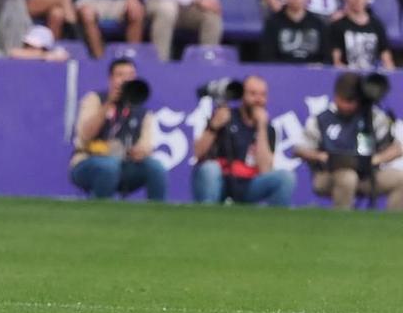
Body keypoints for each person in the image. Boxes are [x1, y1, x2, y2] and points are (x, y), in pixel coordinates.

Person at [295, 70, 403, 208]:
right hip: (327, 175)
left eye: (354, 101)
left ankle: (391, 226)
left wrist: (376, 159)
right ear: (336, 97)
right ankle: (341, 225)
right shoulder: (322, 119)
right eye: (346, 101)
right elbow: (299, 149)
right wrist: (321, 156)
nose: (350, 106)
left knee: (401, 179)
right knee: (348, 177)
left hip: (366, 175)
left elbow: (397, 149)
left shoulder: (372, 117)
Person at [69, 60, 169, 201]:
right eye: (120, 75)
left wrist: (140, 151)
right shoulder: (95, 99)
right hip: (88, 160)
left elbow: (147, 145)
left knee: (155, 168)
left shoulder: (143, 112)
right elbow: (85, 135)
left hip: (125, 163)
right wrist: (109, 103)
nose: (125, 80)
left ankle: (159, 214)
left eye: (130, 75)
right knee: (109, 166)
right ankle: (98, 210)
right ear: (111, 79)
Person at [192, 76, 295, 206]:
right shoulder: (225, 116)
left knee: (285, 178)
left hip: (248, 184)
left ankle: (277, 222)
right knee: (210, 169)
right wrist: (213, 127)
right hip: (220, 179)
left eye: (262, 95)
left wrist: (261, 127)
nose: (258, 99)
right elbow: (197, 153)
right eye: (252, 94)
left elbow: (265, 169)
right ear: (242, 96)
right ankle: (207, 215)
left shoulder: (268, 129)